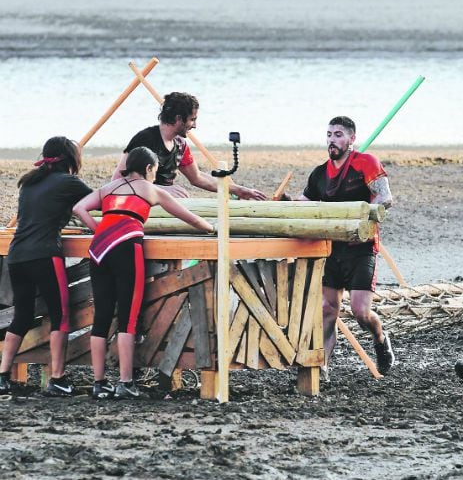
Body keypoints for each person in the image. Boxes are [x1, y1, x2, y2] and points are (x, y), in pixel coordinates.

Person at [74, 146, 215, 400]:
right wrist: (210, 228)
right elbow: (189, 218)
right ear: (149, 168)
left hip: (99, 250)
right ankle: (125, 382)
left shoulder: (109, 188)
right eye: (155, 170)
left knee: (102, 316)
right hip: (127, 248)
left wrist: (98, 229)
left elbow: (79, 208)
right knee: (128, 317)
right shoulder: (149, 189)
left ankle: (99, 382)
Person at [286, 116, 395, 376]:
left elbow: (385, 197)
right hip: (331, 248)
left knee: (360, 312)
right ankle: (322, 366)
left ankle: (381, 340)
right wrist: (285, 202)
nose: (331, 140)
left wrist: (365, 214)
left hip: (362, 247)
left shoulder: (365, 163)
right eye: (329, 135)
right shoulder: (320, 173)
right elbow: (305, 203)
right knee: (327, 309)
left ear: (351, 139)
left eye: (337, 135)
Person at [0, 137, 92, 397]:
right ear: (70, 159)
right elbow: (98, 202)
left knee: (22, 316)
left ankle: (2, 375)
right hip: (45, 255)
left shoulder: (29, 183)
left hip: (17, 256)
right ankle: (58, 378)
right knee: (60, 316)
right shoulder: (69, 182)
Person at [113, 91, 266, 201]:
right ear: (179, 118)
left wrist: (239, 190)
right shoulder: (145, 139)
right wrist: (163, 189)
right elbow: (118, 180)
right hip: (139, 202)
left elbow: (197, 178)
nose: (195, 125)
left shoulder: (180, 144)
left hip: (165, 202)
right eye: (192, 120)